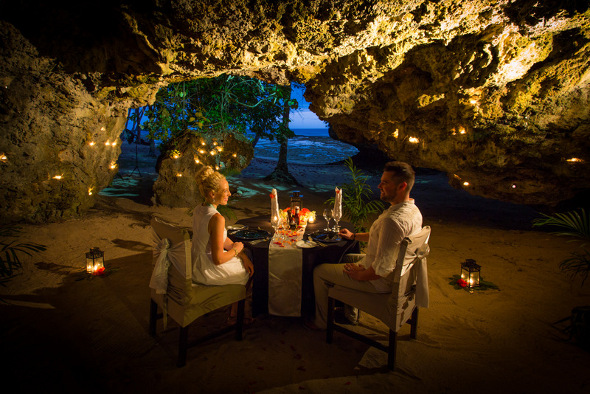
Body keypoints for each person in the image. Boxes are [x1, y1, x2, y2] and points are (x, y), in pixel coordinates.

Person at [310, 161, 423, 329]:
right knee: (344, 257)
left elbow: (382, 268)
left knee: (319, 271)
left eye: (385, 182)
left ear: (402, 186)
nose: (379, 186)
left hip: (379, 281)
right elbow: (384, 238)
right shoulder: (413, 211)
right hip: (394, 272)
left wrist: (361, 275)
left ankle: (321, 322)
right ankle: (351, 314)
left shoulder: (393, 221)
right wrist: (354, 236)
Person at [192, 166, 254, 322]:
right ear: (213, 194)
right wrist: (237, 250)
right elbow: (218, 259)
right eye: (225, 190)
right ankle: (235, 314)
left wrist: (241, 253)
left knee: (246, 257)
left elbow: (217, 238)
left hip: (195, 263)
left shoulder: (199, 209)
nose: (229, 194)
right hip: (207, 270)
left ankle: (233, 309)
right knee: (249, 269)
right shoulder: (217, 218)